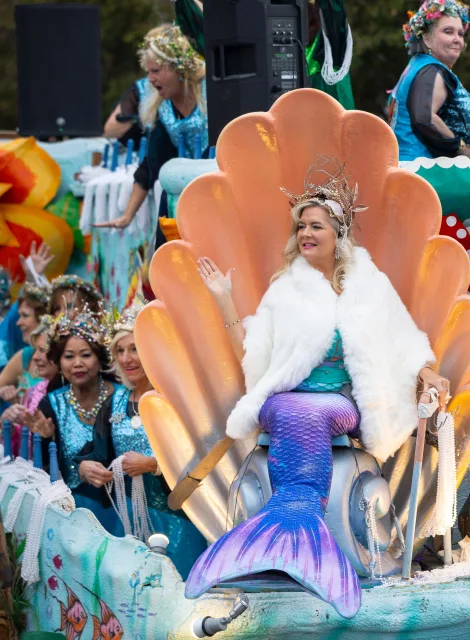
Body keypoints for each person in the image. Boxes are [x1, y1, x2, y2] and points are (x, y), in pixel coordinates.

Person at [183, 159, 449, 618]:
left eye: (316, 226)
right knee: (289, 409)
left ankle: (296, 536)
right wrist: (223, 298)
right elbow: (253, 351)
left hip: (340, 403)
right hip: (285, 401)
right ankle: (290, 535)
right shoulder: (284, 290)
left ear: (338, 233)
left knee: (311, 412)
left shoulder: (370, 286)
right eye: (301, 226)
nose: (305, 233)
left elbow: (405, 340)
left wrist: (428, 372)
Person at [80, 302, 207, 576]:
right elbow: (95, 452)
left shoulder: (175, 399)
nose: (127, 358)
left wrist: (153, 465)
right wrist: (86, 466)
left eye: (135, 348)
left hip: (178, 521)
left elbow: (202, 457)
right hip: (128, 524)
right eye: (120, 351)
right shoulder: (113, 403)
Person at [96, 24, 207, 231]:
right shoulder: (164, 110)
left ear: (179, 68)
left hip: (216, 194)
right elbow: (151, 164)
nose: (150, 79)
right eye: (148, 72)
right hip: (184, 199)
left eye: (156, 71)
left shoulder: (212, 94)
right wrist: (127, 216)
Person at [24, 310, 122, 537]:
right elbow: (44, 472)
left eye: (86, 355)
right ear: (58, 362)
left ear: (100, 358)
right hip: (72, 514)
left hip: (122, 507)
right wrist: (45, 438)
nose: (77, 364)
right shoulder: (51, 404)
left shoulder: (122, 397)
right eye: (69, 357)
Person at [389, 0, 470, 161]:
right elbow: (425, 118)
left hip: (405, 166)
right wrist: (465, 149)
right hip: (420, 169)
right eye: (448, 31)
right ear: (426, 38)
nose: (457, 39)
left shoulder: (416, 66)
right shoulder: (431, 70)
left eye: (460, 33)